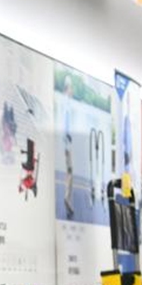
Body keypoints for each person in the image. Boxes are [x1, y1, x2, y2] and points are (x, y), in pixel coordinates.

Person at [61, 74, 75, 220]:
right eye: (71, 88)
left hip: (67, 144)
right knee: (70, 173)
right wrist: (67, 138)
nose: (72, 91)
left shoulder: (66, 104)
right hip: (67, 145)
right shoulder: (66, 105)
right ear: (67, 89)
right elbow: (65, 124)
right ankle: (67, 198)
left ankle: (68, 199)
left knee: (69, 173)